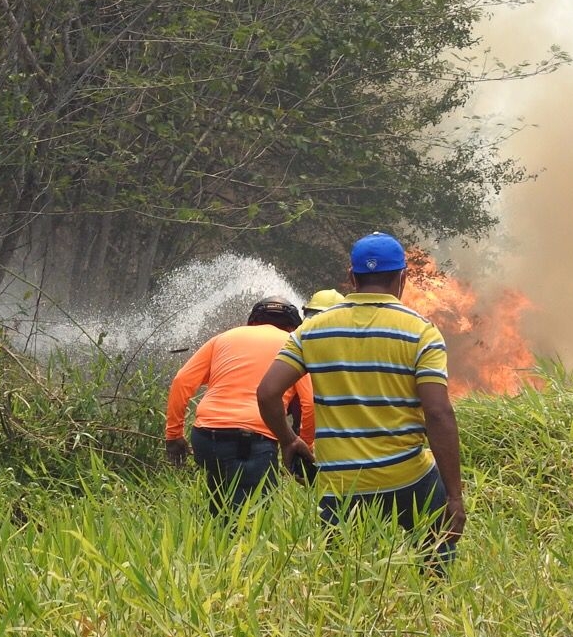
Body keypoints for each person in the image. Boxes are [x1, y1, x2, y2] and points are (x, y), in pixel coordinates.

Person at [256, 232, 464, 567]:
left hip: (338, 481)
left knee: (339, 571)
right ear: (402, 278)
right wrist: (454, 495)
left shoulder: (312, 330)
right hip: (406, 474)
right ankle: (435, 607)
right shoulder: (421, 332)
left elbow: (267, 393)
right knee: (436, 551)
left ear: (352, 278)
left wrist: (288, 440)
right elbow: (438, 413)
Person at [165, 297, 315, 517]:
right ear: (293, 325)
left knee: (220, 509)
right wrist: (302, 445)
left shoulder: (224, 338)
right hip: (253, 439)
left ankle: (214, 547)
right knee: (253, 518)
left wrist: (173, 435)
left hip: (205, 437)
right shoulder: (294, 342)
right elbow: (309, 402)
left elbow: (181, 381)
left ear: (252, 321)